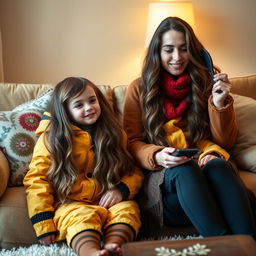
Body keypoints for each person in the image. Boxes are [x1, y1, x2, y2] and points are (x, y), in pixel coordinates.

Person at [123, 17, 256, 238]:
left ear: (193, 51)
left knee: (221, 166)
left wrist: (219, 104)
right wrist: (156, 156)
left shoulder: (205, 82)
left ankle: (248, 244)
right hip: (167, 181)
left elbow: (225, 143)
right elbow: (130, 142)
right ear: (158, 52)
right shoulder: (139, 88)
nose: (177, 58)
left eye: (184, 49)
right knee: (185, 168)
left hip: (205, 167)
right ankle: (223, 246)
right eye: (169, 50)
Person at [24, 77, 143, 256]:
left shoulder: (115, 133)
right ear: (65, 111)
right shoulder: (51, 139)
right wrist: (43, 224)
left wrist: (121, 190)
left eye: (92, 100)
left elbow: (132, 170)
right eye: (79, 105)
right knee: (80, 218)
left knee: (127, 210)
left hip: (107, 198)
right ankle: (92, 252)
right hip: (70, 202)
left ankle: (113, 246)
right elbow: (37, 180)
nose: (89, 108)